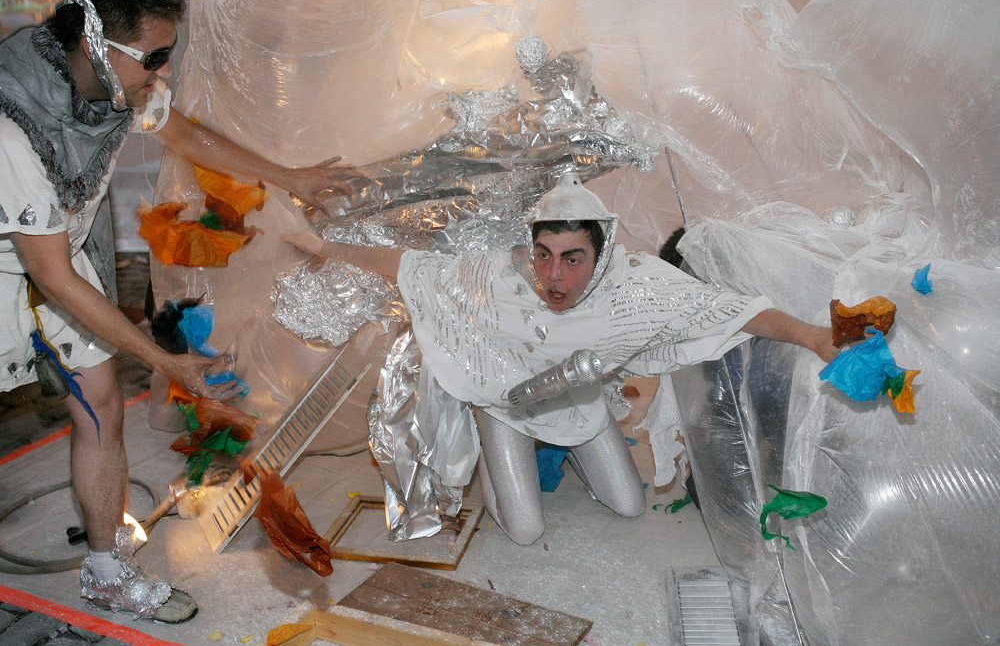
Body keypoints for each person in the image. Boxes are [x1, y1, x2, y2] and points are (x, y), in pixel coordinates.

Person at [0, 0, 356, 623]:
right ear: (94, 43)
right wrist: (162, 362)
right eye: (154, 58)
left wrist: (291, 178)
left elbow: (190, 138)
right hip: (24, 265)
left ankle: (106, 570)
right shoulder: (12, 125)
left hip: (55, 254)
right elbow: (51, 277)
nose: (162, 73)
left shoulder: (117, 85)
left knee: (102, 402)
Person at [282, 173, 838, 545]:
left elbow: (730, 312)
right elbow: (409, 265)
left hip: (579, 403)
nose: (554, 276)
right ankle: (500, 459)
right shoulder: (501, 274)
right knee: (523, 532)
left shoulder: (634, 287)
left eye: (573, 259)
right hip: (508, 406)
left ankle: (571, 454)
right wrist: (324, 248)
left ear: (601, 255)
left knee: (627, 506)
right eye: (544, 256)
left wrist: (813, 335)